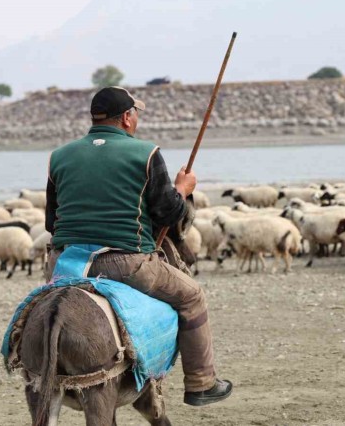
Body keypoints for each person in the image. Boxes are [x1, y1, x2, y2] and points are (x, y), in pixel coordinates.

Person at [44, 86, 232, 406]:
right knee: (191, 296)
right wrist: (182, 189)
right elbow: (168, 213)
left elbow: (52, 223)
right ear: (127, 118)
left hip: (63, 262)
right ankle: (201, 383)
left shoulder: (58, 156)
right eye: (136, 114)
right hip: (124, 264)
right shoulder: (146, 153)